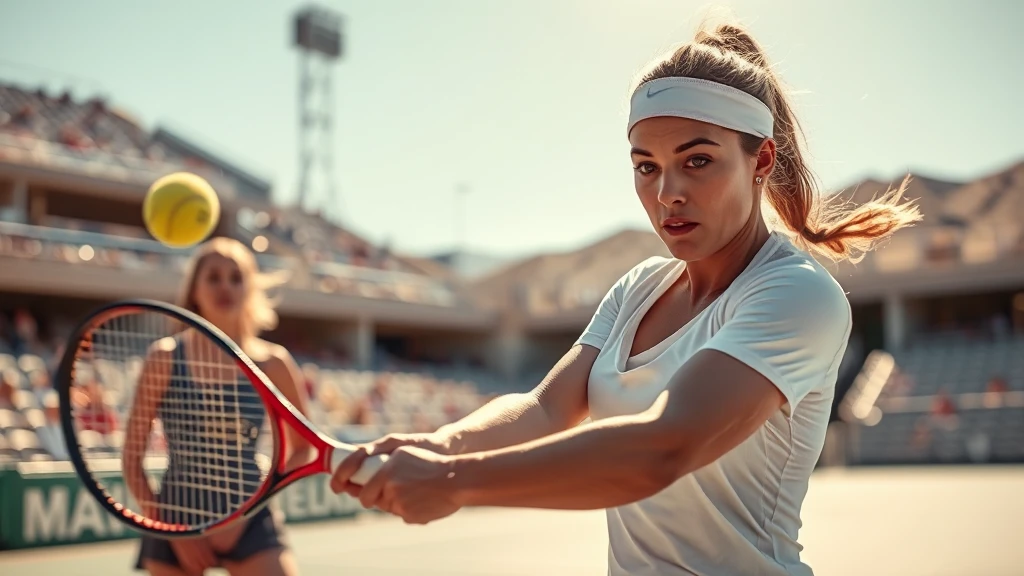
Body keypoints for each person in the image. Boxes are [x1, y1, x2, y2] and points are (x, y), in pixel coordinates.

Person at [330, 21, 921, 575]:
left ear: (761, 158)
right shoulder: (639, 287)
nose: (667, 193)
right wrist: (440, 446)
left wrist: (453, 480)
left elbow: (661, 448)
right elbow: (545, 410)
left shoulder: (798, 294)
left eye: (697, 161)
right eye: (646, 167)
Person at [123, 237, 313, 576]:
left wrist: (249, 508)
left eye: (236, 277)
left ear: (250, 288)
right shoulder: (165, 357)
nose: (225, 286)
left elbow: (303, 448)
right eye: (213, 277)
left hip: (249, 518)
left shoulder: (273, 362)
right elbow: (131, 459)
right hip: (175, 516)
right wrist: (173, 531)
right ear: (194, 289)